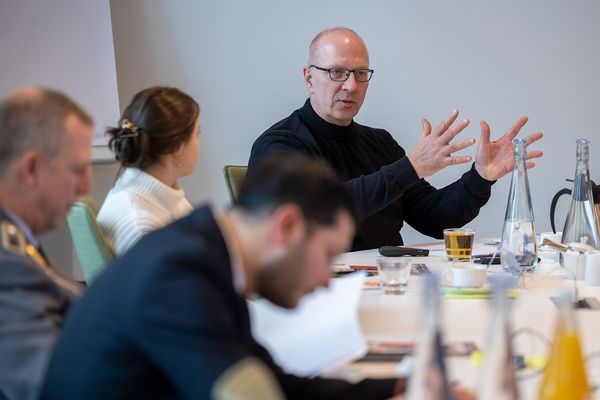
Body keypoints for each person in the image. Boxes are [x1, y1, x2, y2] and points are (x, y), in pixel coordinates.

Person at [41, 155, 477, 400]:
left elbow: (279, 385)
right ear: (286, 226)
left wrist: (404, 383)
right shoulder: (181, 275)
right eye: (327, 255)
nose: (328, 280)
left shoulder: (207, 255)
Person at [249, 27, 544, 251]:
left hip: (391, 282)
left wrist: (480, 177)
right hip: (318, 292)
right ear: (309, 77)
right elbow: (323, 209)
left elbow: (434, 218)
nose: (351, 86)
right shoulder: (279, 145)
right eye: (337, 72)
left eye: (360, 73)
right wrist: (411, 167)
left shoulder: (380, 143)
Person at [0, 87, 93, 399]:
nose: (86, 186)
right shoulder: (6, 262)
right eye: (77, 169)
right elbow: (53, 384)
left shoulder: (15, 237)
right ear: (31, 169)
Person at [97, 86, 200, 255]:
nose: (198, 143)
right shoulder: (143, 227)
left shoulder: (159, 195)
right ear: (178, 147)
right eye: (198, 134)